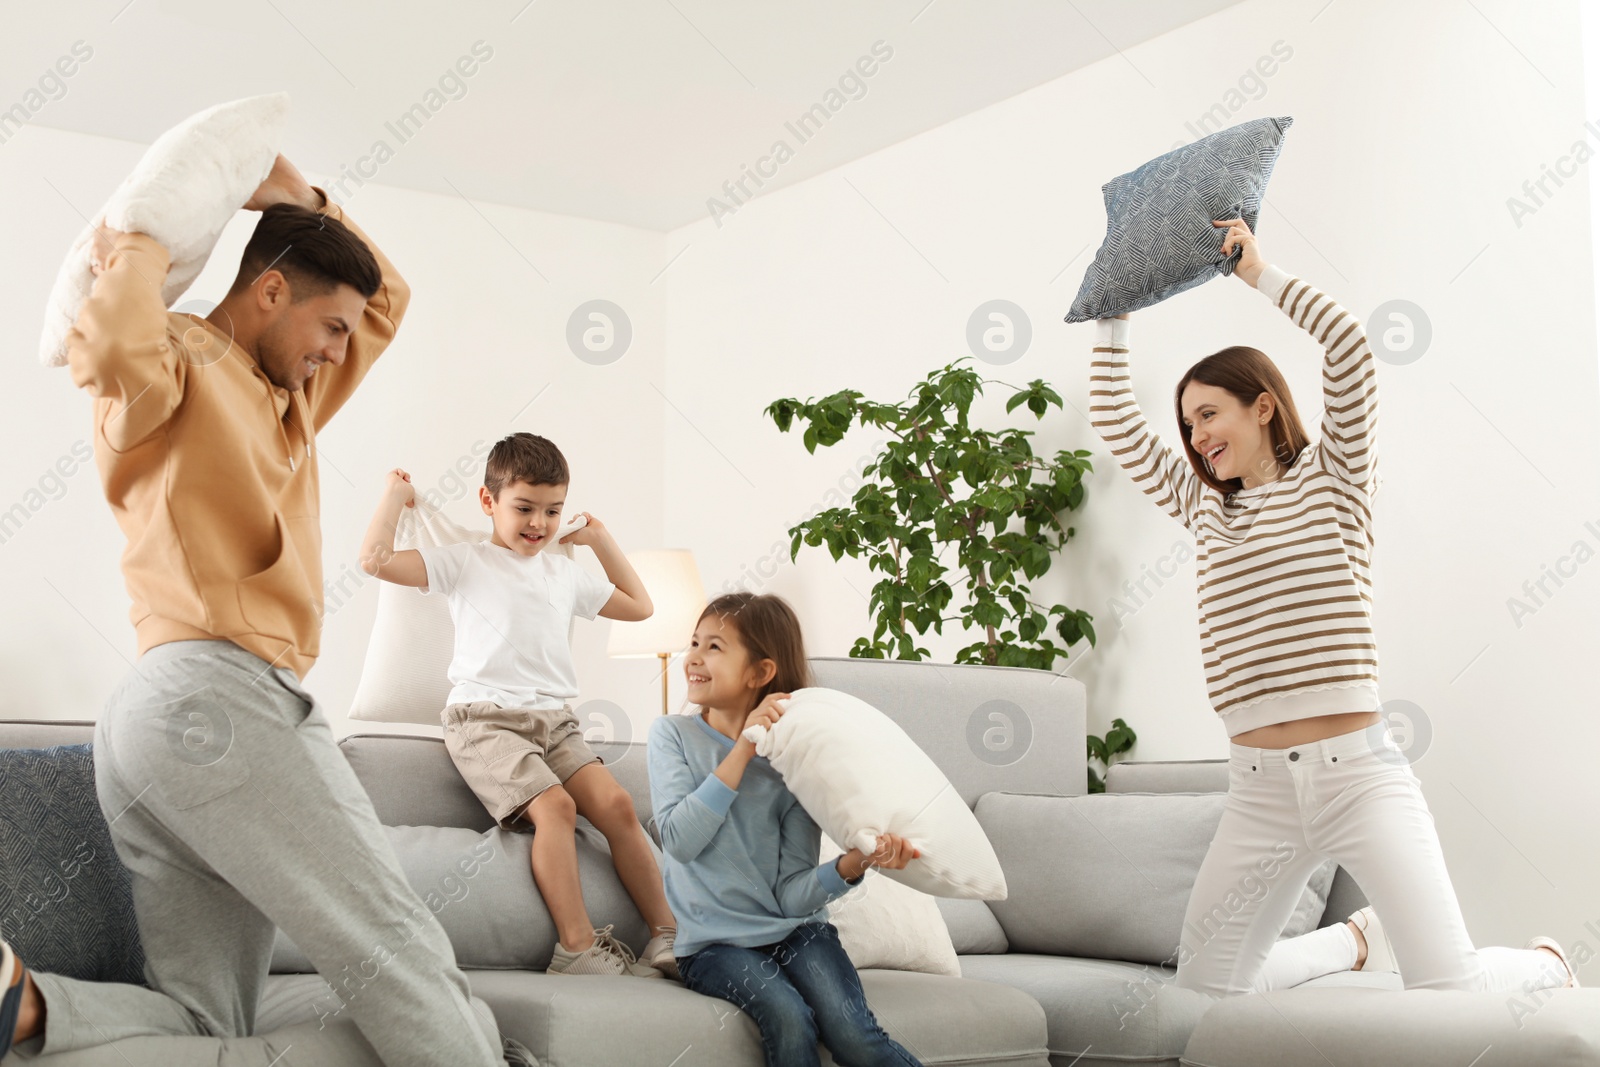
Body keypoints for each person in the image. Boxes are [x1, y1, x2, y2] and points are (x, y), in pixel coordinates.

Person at [0, 155, 531, 1065]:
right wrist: (135, 239)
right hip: (221, 699)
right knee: (391, 940)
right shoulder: (179, 363)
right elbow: (109, 348)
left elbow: (385, 297)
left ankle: (26, 1005)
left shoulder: (288, 395)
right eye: (327, 326)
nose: (338, 348)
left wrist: (297, 195)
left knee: (213, 1018)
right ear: (271, 290)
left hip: (152, 720)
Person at [1087, 216, 1579, 996]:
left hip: (1360, 776)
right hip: (1257, 792)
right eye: (1187, 424)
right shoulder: (1202, 504)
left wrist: (1260, 274)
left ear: (1264, 408)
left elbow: (1349, 349)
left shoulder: (1335, 478)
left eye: (1209, 412)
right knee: (1205, 992)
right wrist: (1112, 306)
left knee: (1447, 987)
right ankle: (1351, 943)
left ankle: (1545, 966)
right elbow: (1114, 415)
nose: (1196, 435)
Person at [361, 432, 679, 978]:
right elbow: (375, 560)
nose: (539, 523)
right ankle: (575, 949)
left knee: (619, 807)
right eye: (524, 508)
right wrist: (394, 494)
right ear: (489, 503)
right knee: (556, 809)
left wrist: (599, 538)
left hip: (556, 724)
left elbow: (641, 606)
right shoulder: (465, 563)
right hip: (484, 721)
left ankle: (668, 936)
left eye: (552, 511)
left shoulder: (562, 572)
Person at [649, 592, 926, 1067]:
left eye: (714, 647)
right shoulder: (672, 735)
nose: (692, 657)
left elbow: (791, 898)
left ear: (760, 673)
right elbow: (679, 839)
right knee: (788, 1016)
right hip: (714, 946)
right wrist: (744, 749)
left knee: (855, 1035)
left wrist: (854, 862)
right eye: (694, 642)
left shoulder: (794, 764)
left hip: (798, 932)